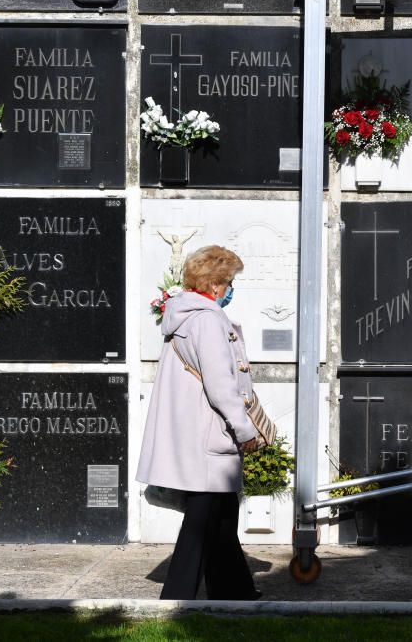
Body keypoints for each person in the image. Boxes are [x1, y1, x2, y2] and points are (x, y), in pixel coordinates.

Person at [137, 245, 262, 600]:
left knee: (222, 515)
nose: (230, 289)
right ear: (215, 285)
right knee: (202, 520)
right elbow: (222, 386)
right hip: (209, 439)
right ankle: (176, 598)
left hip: (197, 437)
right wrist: (244, 429)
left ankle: (233, 591)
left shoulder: (185, 318)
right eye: (229, 281)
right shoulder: (207, 321)